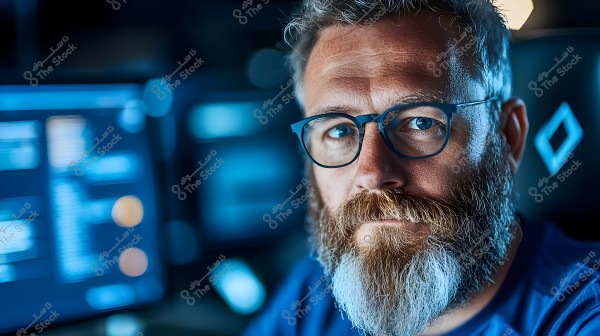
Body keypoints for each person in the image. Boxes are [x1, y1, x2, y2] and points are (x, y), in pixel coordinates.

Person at [244, 0, 600, 335]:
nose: (372, 173)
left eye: (421, 124)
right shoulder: (315, 290)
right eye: (339, 130)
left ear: (506, 136)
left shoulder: (581, 309)